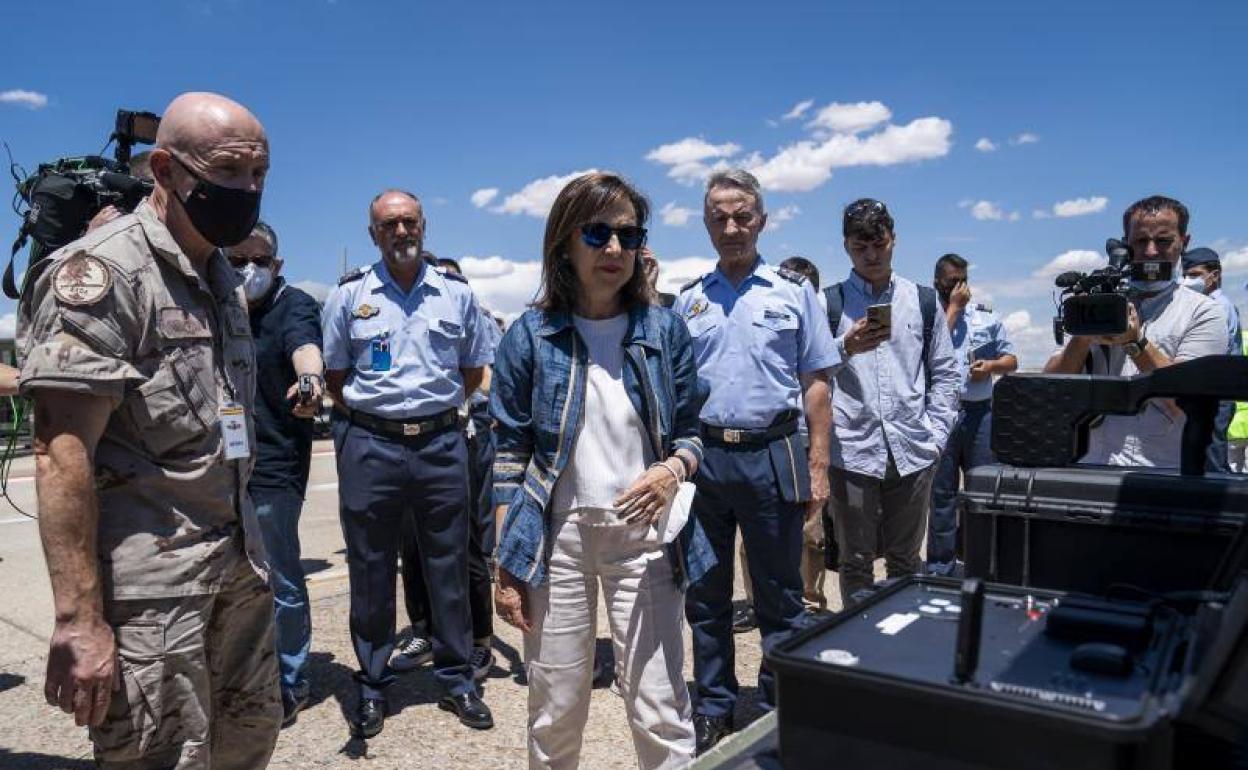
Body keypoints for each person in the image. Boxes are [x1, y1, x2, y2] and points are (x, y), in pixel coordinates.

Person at [18, 91, 281, 768]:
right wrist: (79, 620)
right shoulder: (105, 274)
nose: (247, 190)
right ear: (164, 170)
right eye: (228, 172)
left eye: (259, 174)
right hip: (151, 598)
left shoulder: (219, 276)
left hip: (236, 571)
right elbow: (60, 451)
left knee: (245, 745)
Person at [491, 171, 712, 770]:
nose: (614, 249)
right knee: (556, 708)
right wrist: (507, 564)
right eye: (597, 233)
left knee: (659, 704)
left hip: (644, 538)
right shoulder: (530, 337)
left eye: (628, 234)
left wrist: (671, 470)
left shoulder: (665, 329)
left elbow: (694, 432)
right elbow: (508, 454)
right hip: (556, 536)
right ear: (564, 242)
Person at [675, 169, 838, 753]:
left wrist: (818, 463)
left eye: (742, 215)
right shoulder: (689, 299)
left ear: (762, 221)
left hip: (774, 454)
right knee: (707, 594)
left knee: (780, 595)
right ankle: (714, 704)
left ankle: (775, 707)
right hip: (707, 461)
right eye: (719, 216)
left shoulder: (795, 293)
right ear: (706, 225)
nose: (731, 226)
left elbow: (816, 382)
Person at [322, 189, 496, 737]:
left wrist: (428, 414)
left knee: (448, 564)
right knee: (370, 568)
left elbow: (472, 370)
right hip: (372, 446)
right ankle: (372, 684)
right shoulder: (348, 297)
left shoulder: (456, 295)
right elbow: (334, 378)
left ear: (424, 226)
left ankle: (456, 677)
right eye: (389, 224)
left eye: (409, 222)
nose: (401, 232)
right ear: (373, 234)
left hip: (441, 446)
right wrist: (384, 422)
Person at [823, 199, 960, 605]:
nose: (870, 255)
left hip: (913, 451)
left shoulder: (922, 300)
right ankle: (858, 646)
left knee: (904, 560)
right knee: (855, 560)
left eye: (878, 244)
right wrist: (844, 346)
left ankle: (902, 644)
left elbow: (946, 373)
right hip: (851, 452)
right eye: (860, 246)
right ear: (846, 246)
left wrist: (935, 438)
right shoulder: (827, 303)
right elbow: (810, 375)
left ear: (893, 240)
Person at [225, 220, 325, 726]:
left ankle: (291, 678)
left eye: (257, 260)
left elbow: (304, 346)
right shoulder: (214, 301)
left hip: (272, 465)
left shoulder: (295, 304)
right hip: (218, 464)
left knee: (279, 577)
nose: (246, 270)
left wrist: (310, 380)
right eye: (235, 257)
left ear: (276, 265)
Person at [1044, 196, 1228, 468]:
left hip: (1160, 471)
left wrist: (1136, 344)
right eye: (1141, 241)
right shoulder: (1101, 302)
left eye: (1163, 241)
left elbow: (1189, 404)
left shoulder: (1204, 312)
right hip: (1090, 466)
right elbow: (1052, 389)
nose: (1151, 252)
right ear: (1127, 244)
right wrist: (1082, 334)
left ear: (1184, 243)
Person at [393, 254, 504, 682]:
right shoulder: (408, 317)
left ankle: (479, 640)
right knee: (412, 543)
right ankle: (423, 629)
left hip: (465, 433)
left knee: (468, 543)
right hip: (410, 440)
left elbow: (489, 374)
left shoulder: (474, 314)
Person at [926, 254, 1016, 577]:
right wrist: (953, 309)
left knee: (983, 490)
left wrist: (991, 367)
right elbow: (926, 352)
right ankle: (940, 566)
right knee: (942, 493)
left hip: (981, 413)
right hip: (943, 413)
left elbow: (1011, 360)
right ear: (938, 282)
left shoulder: (986, 318)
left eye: (963, 280)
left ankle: (984, 564)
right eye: (952, 281)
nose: (960, 287)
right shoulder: (930, 315)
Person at [1181, 247, 1242, 473]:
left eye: (1195, 275)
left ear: (1214, 275)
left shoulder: (1217, 306)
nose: (1188, 280)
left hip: (1216, 396)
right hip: (1212, 393)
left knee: (1212, 462)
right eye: (1185, 275)